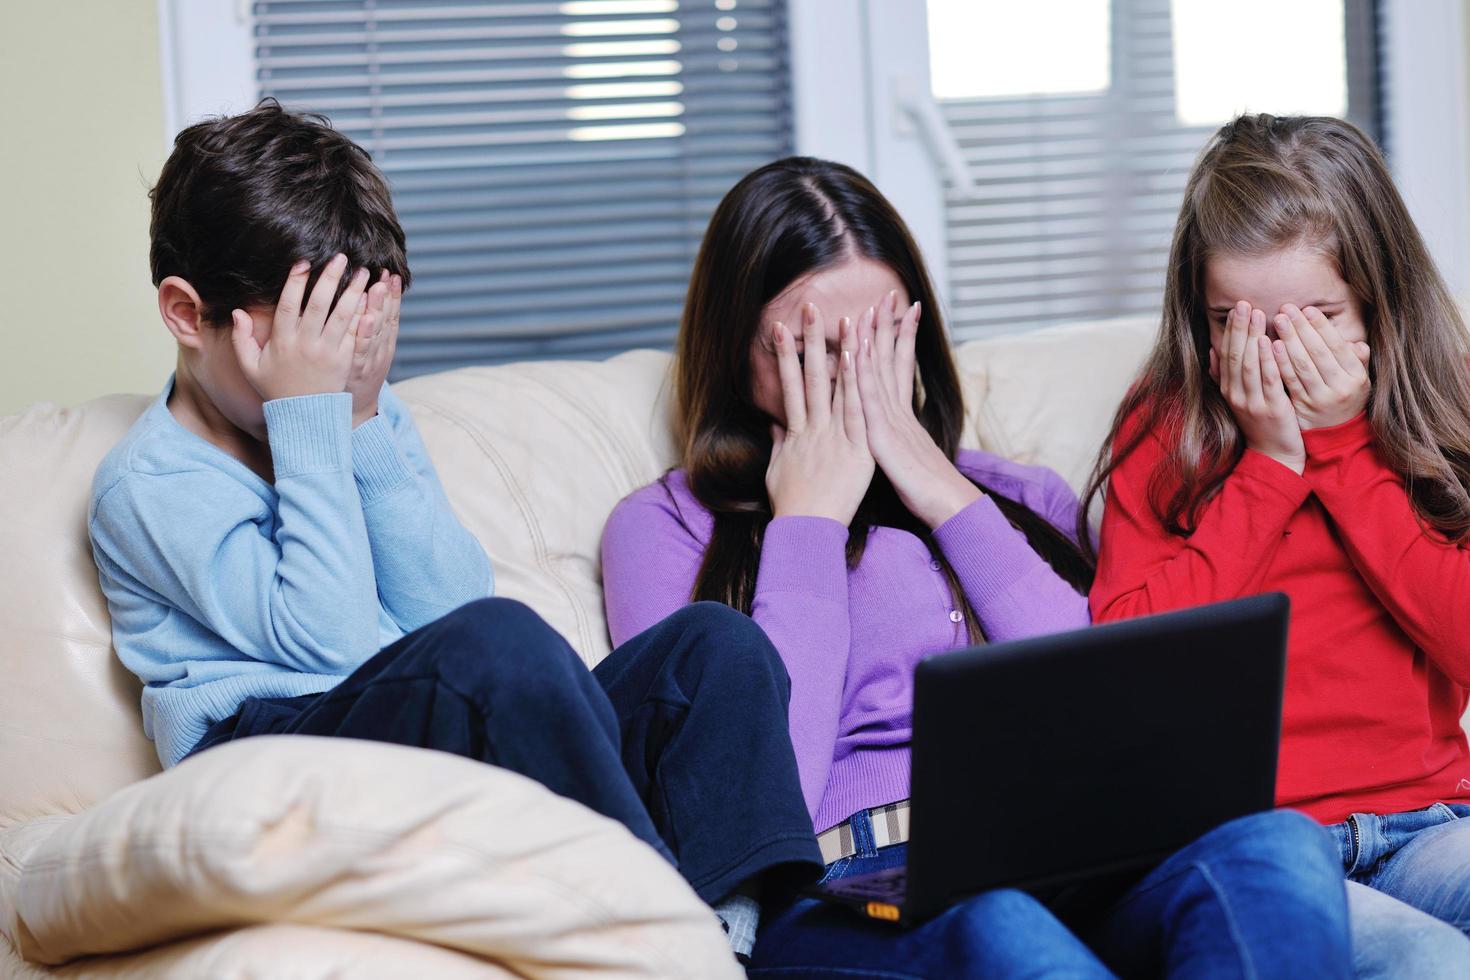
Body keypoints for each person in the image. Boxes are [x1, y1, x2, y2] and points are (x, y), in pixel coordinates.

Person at [87, 100, 820, 963]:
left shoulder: (353, 414)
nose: (337, 366)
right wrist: (312, 417)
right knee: (498, 645)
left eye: (352, 334)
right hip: (272, 755)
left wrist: (358, 419)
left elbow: (447, 602)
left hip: (418, 715)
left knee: (714, 648)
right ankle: (660, 934)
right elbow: (332, 651)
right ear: (186, 314)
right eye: (307, 340)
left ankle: (734, 942)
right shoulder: (150, 485)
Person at [601, 155, 1353, 977]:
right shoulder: (665, 527)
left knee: (1275, 845)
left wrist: (940, 489)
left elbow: (1108, 705)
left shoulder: (1008, 494)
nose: (859, 375)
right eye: (816, 347)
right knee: (999, 928)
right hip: (847, 884)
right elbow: (762, 793)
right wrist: (807, 523)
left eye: (884, 338)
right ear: (736, 349)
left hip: (1066, 858)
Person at [1085, 113, 1470, 977]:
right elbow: (1127, 667)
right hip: (1261, 849)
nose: (1273, 352)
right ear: (1199, 309)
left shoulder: (1440, 408)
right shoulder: (1167, 426)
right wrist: (1268, 467)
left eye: (1318, 317)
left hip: (1431, 826)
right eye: (1234, 321)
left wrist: (1342, 449)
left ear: (1377, 297)